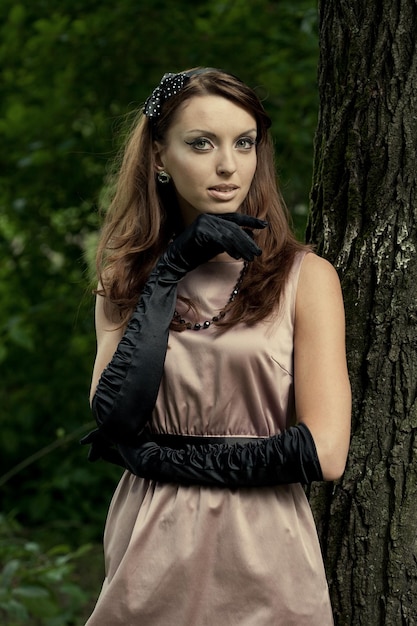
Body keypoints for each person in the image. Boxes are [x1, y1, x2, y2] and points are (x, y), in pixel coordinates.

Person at [82, 67, 351, 625]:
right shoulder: (126, 279)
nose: (228, 165)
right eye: (201, 143)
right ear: (159, 156)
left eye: (244, 142)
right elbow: (117, 417)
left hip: (264, 553)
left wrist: (166, 459)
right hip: (149, 546)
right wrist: (169, 272)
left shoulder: (306, 277)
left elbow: (323, 453)